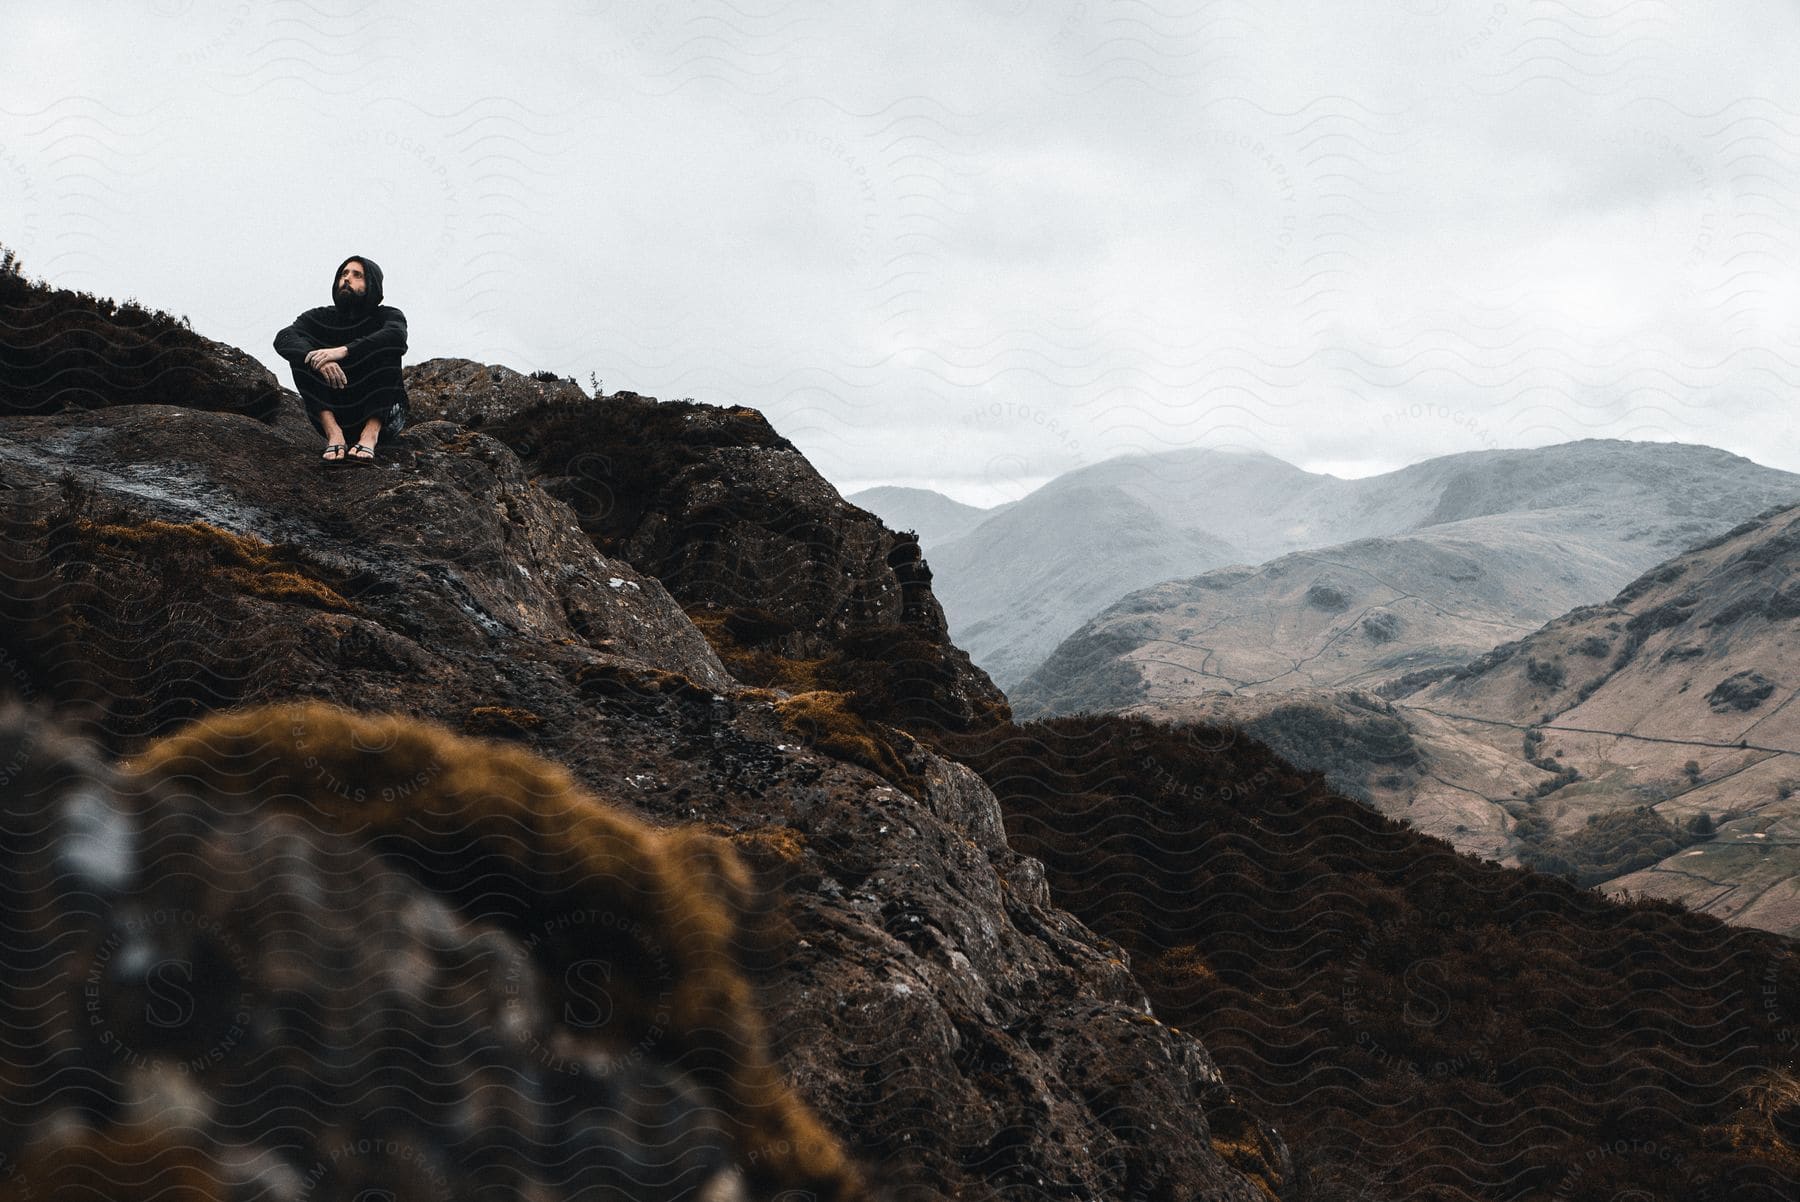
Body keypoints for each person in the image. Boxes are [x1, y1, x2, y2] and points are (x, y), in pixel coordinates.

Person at [274, 255, 408, 461]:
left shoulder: (388, 316)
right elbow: (284, 337)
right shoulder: (320, 317)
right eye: (343, 274)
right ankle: (334, 434)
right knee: (303, 356)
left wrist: (343, 351)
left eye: (357, 275)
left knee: (388, 348)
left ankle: (370, 435)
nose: (347, 279)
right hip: (337, 411)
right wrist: (314, 357)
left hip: (386, 415)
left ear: (371, 284)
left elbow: (396, 336)